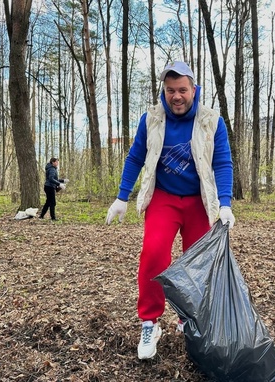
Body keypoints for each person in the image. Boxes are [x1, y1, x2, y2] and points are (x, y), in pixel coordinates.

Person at [106, 61, 235, 360]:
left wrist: (225, 203)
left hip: (198, 201)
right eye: (170, 90)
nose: (176, 96)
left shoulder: (211, 121)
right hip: (163, 197)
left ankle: (187, 318)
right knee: (153, 254)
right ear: (163, 91)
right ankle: (150, 321)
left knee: (196, 266)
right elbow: (135, 156)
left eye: (182, 90)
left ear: (194, 90)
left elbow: (223, 163)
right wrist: (122, 197)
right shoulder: (151, 119)